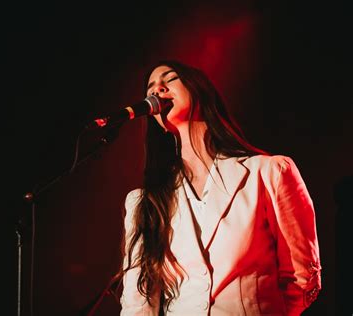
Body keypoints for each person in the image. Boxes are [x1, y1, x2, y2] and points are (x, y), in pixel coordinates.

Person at [117, 60, 321, 315]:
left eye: (169, 79)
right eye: (150, 89)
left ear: (198, 89)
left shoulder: (268, 173)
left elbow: (301, 278)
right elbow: (139, 304)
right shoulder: (145, 202)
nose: (157, 89)